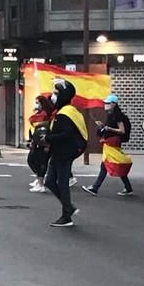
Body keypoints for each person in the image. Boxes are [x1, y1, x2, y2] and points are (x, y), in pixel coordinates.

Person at [43, 79, 88, 227]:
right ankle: (68, 208)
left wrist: (48, 138)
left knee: (62, 183)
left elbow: (66, 134)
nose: (53, 96)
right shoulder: (63, 112)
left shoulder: (66, 113)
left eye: (56, 93)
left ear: (63, 95)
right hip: (58, 153)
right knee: (50, 181)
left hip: (64, 153)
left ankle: (66, 215)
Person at [82, 94, 133, 196]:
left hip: (112, 142)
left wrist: (109, 129)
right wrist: (103, 126)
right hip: (110, 141)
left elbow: (122, 130)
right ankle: (128, 187)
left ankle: (95, 188)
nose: (105, 105)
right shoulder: (111, 115)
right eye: (105, 103)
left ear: (114, 104)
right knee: (110, 163)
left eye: (108, 103)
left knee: (108, 163)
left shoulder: (117, 115)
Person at [27, 95, 55, 193]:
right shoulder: (39, 114)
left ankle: (41, 182)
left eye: (38, 102)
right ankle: (39, 179)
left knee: (41, 162)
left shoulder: (46, 115)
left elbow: (41, 126)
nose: (36, 104)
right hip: (36, 140)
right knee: (32, 160)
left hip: (44, 142)